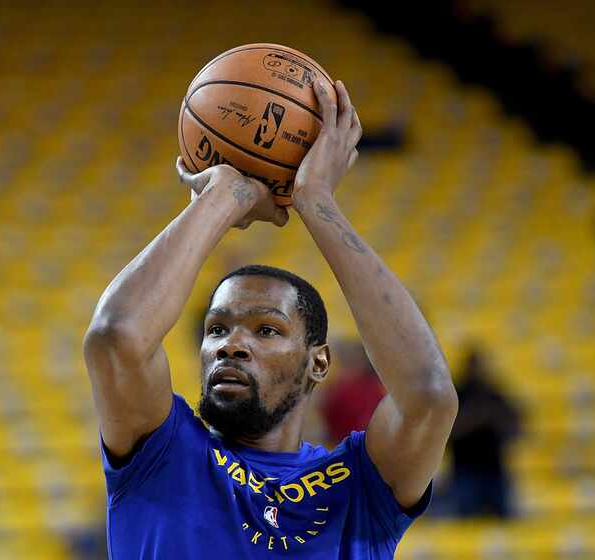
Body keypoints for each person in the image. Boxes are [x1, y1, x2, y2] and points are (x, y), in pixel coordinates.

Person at [83, 78, 458, 559]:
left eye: (266, 330)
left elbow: (430, 395)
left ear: (318, 363)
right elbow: (115, 337)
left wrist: (317, 201)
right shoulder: (163, 452)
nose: (231, 344)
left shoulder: (361, 486)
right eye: (216, 329)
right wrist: (224, 197)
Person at [449, 346, 521, 518]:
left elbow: (516, 427)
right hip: (464, 471)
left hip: (494, 470)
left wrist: (492, 418)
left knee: (506, 521)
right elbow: (446, 431)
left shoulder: (494, 393)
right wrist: (476, 418)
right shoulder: (457, 394)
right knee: (464, 526)